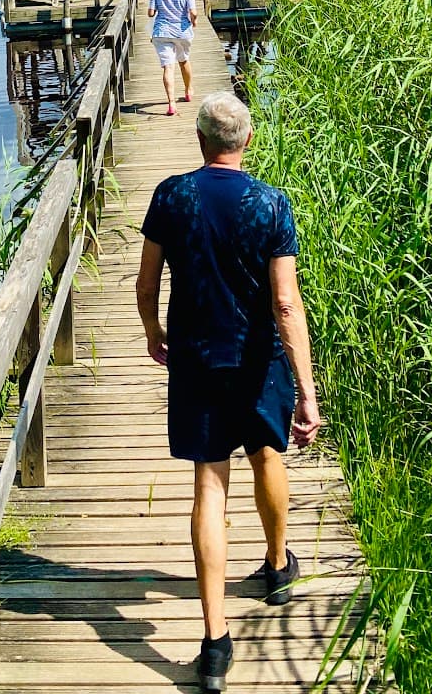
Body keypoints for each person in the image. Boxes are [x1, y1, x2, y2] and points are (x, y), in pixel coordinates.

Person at [135, 92, 321, 693]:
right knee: (268, 454)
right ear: (246, 140)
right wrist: (307, 390)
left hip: (196, 358)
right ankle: (275, 566)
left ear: (199, 138)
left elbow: (146, 284)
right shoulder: (271, 203)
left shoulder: (172, 195)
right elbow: (286, 303)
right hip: (257, 360)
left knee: (209, 486)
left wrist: (154, 332)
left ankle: (215, 640)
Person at [148, 0, 197, 116]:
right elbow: (193, 12)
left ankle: (171, 103)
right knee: (183, 61)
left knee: (168, 67)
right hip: (182, 31)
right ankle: (188, 91)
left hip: (162, 32)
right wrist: (194, 22)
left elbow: (151, 12)